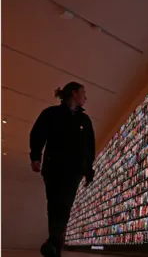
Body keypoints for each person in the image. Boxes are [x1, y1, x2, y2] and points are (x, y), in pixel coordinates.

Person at [30, 82, 95, 257]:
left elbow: (89, 148)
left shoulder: (85, 121)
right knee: (55, 206)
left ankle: (53, 243)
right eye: (83, 92)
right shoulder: (51, 114)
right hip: (53, 168)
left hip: (73, 171)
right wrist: (35, 156)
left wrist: (88, 170)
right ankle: (54, 246)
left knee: (63, 206)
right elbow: (38, 133)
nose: (85, 97)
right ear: (74, 93)